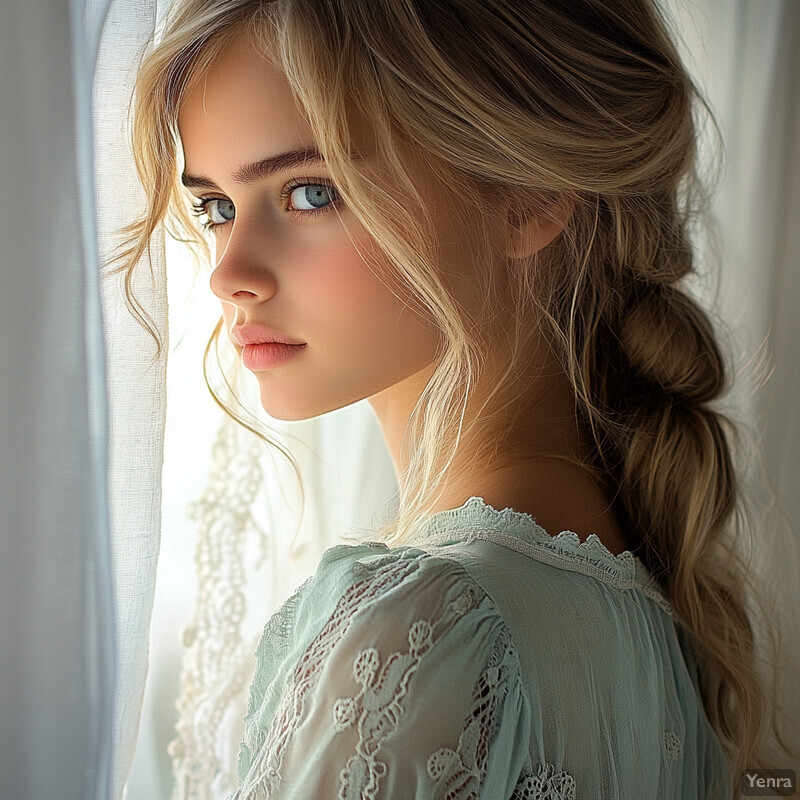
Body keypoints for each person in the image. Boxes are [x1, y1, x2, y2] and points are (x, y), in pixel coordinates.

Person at [109, 0, 795, 797]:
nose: (231, 272)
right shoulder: (651, 626)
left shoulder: (423, 629)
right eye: (216, 207)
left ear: (530, 195)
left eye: (309, 193)